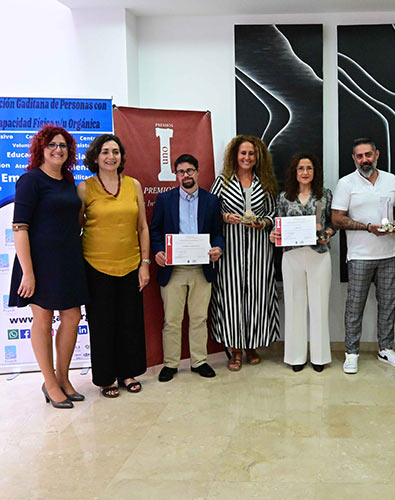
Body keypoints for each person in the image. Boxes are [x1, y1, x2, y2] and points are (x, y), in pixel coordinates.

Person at [8, 125, 89, 409]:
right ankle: (50, 383)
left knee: (72, 318)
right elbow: (20, 228)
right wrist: (28, 272)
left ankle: (63, 377)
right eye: (52, 145)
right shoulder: (30, 181)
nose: (58, 149)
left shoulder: (69, 182)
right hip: (39, 263)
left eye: (63, 146)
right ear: (41, 149)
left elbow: (75, 220)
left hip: (68, 260)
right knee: (42, 321)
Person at [77, 134, 149, 398]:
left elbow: (142, 227)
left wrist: (145, 263)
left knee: (129, 322)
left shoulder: (133, 185)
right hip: (95, 266)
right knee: (102, 324)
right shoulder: (84, 188)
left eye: (115, 152)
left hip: (131, 264)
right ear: (95, 157)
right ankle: (106, 378)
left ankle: (128, 373)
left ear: (121, 157)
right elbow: (77, 227)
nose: (111, 157)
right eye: (105, 152)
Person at [331, 137, 395, 374]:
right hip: (359, 255)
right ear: (354, 158)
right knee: (355, 306)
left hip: (390, 253)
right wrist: (367, 227)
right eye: (359, 156)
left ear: (377, 155)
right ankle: (351, 353)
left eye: (368, 155)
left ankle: (386, 349)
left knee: (388, 305)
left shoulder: (391, 179)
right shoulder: (346, 183)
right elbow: (336, 218)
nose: (365, 160)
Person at [150, 153, 224, 382]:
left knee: (199, 318)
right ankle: (171, 364)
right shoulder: (165, 200)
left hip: (202, 268)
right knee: (172, 319)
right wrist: (158, 251)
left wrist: (217, 249)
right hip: (174, 269)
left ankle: (199, 361)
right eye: (181, 171)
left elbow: (218, 234)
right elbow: (155, 231)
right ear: (176, 175)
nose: (186, 175)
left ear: (197, 172)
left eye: (190, 170)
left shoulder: (211, 201)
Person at [209, 135, 280, 371]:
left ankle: (252, 345)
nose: (247, 157)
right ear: (235, 156)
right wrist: (224, 217)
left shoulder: (266, 182)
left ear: (257, 156)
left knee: (257, 297)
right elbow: (208, 213)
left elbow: (274, 215)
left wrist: (262, 223)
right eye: (243, 153)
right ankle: (235, 349)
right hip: (231, 250)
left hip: (259, 251)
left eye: (251, 153)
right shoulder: (223, 182)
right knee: (231, 298)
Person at [269, 153, 335, 372]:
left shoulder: (325, 195)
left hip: (318, 255)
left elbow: (332, 225)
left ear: (314, 172)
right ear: (294, 172)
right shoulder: (284, 197)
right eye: (300, 168)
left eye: (309, 168)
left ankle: (319, 357)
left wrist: (327, 233)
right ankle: (296, 357)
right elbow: (277, 227)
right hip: (292, 257)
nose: (305, 172)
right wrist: (274, 235)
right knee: (295, 306)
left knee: (319, 307)